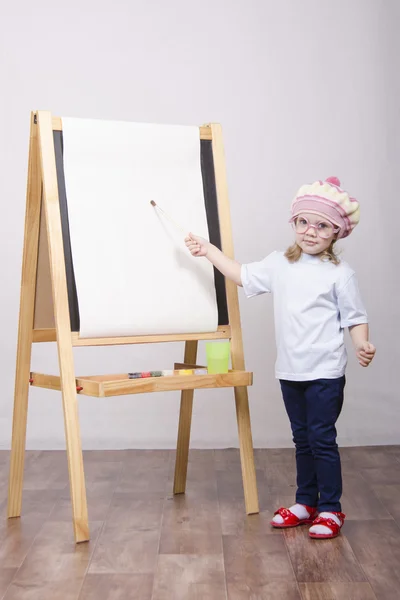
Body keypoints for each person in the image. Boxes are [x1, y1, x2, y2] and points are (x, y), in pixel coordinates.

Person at [185, 176, 376, 540]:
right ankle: (305, 503)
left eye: (321, 226)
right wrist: (209, 250)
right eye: (303, 222)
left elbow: (355, 317)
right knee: (301, 439)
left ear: (336, 233)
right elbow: (241, 275)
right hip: (290, 372)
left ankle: (331, 509)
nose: (310, 231)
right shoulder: (280, 264)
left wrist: (362, 344)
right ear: (294, 224)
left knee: (322, 439)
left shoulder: (340, 274)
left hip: (324, 373)